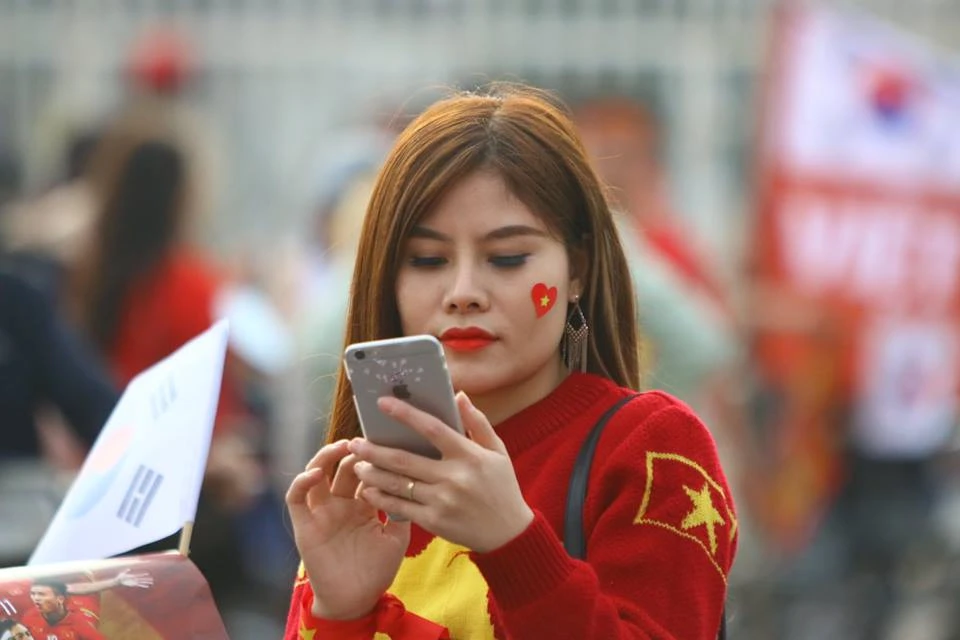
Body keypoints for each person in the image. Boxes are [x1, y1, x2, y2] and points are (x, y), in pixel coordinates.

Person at [283, 84, 736, 639]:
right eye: (427, 260)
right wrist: (341, 613)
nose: (463, 293)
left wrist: (513, 543)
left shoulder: (650, 450)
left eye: (507, 257)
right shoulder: (363, 484)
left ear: (577, 269)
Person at [21, 581, 104, 640]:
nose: (36, 598)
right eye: (33, 594)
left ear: (60, 599)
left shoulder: (80, 625)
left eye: (41, 594)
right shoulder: (29, 617)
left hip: (84, 602)